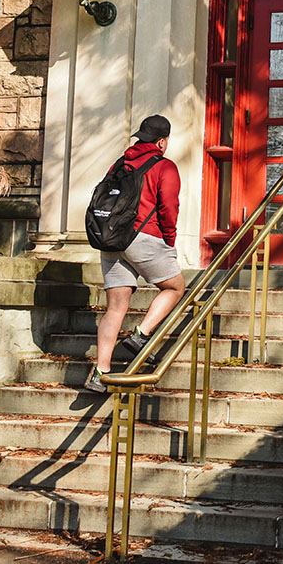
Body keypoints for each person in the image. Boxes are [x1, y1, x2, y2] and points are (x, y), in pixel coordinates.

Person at [86, 115, 186, 394]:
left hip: (112, 238)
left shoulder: (119, 163)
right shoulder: (164, 166)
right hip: (144, 236)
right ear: (162, 142)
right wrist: (169, 240)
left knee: (115, 307)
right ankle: (141, 335)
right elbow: (168, 207)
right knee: (175, 287)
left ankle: (100, 371)